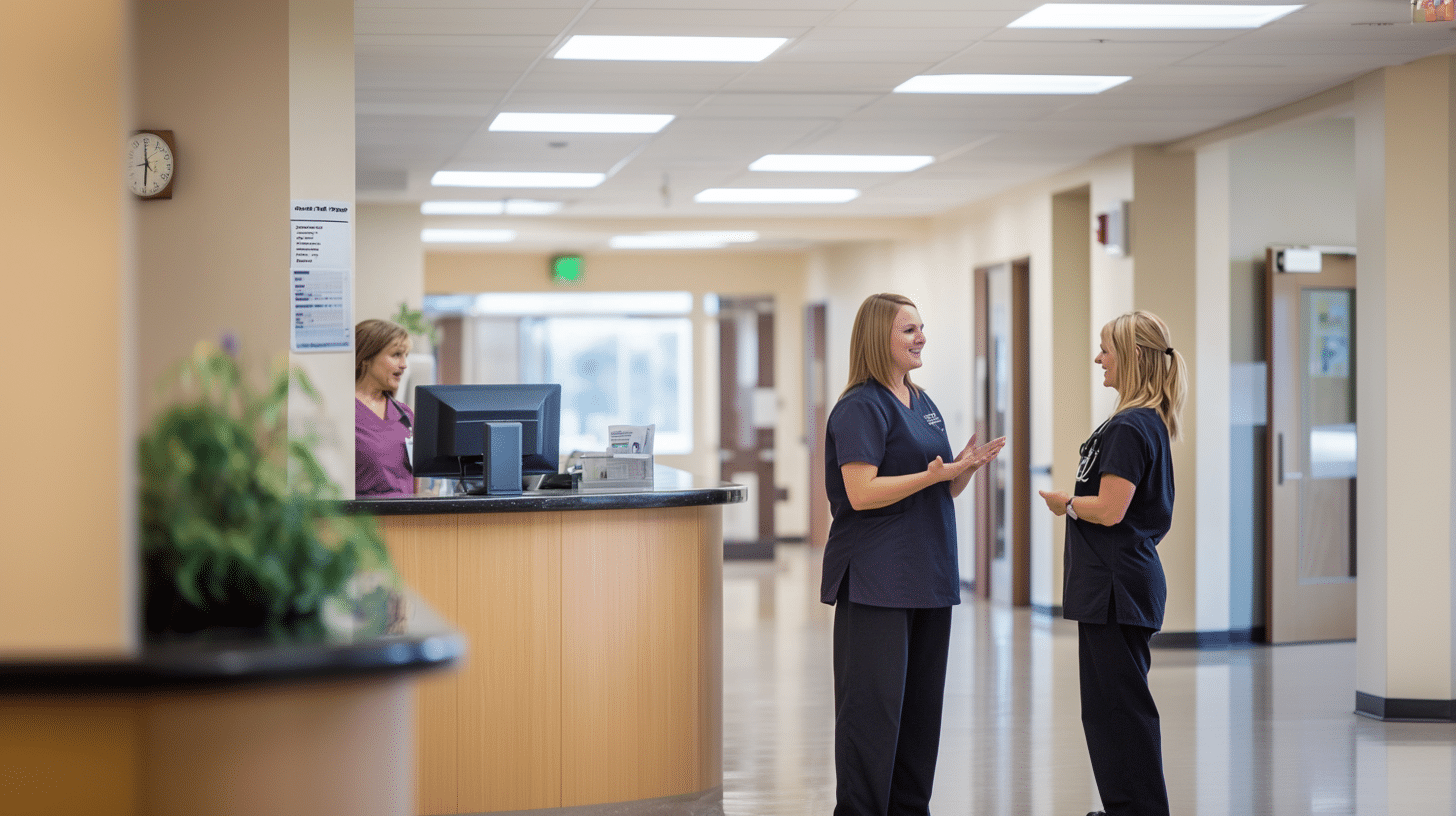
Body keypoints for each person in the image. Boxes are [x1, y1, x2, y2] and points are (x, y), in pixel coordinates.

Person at [822, 292, 1005, 816]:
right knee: (871, 716)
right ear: (879, 339)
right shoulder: (859, 405)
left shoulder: (921, 401)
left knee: (920, 717)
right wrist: (931, 475)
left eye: (921, 327)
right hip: (877, 578)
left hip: (927, 574)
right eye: (908, 330)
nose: (921, 337)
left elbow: (939, 491)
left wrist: (962, 470)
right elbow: (861, 492)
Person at [1037, 310, 1187, 816]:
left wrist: (1067, 503)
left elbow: (1110, 508)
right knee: (1106, 710)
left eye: (1107, 350)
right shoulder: (1141, 422)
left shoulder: (1129, 426)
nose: (1099, 358)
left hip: (1116, 588)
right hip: (1115, 586)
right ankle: (1126, 805)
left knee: (1119, 711)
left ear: (1134, 358)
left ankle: (1141, 808)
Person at [355, 318, 415, 496]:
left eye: (406, 356)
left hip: (408, 519)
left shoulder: (404, 414)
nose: (404, 364)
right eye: (396, 354)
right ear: (367, 357)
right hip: (364, 520)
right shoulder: (343, 412)